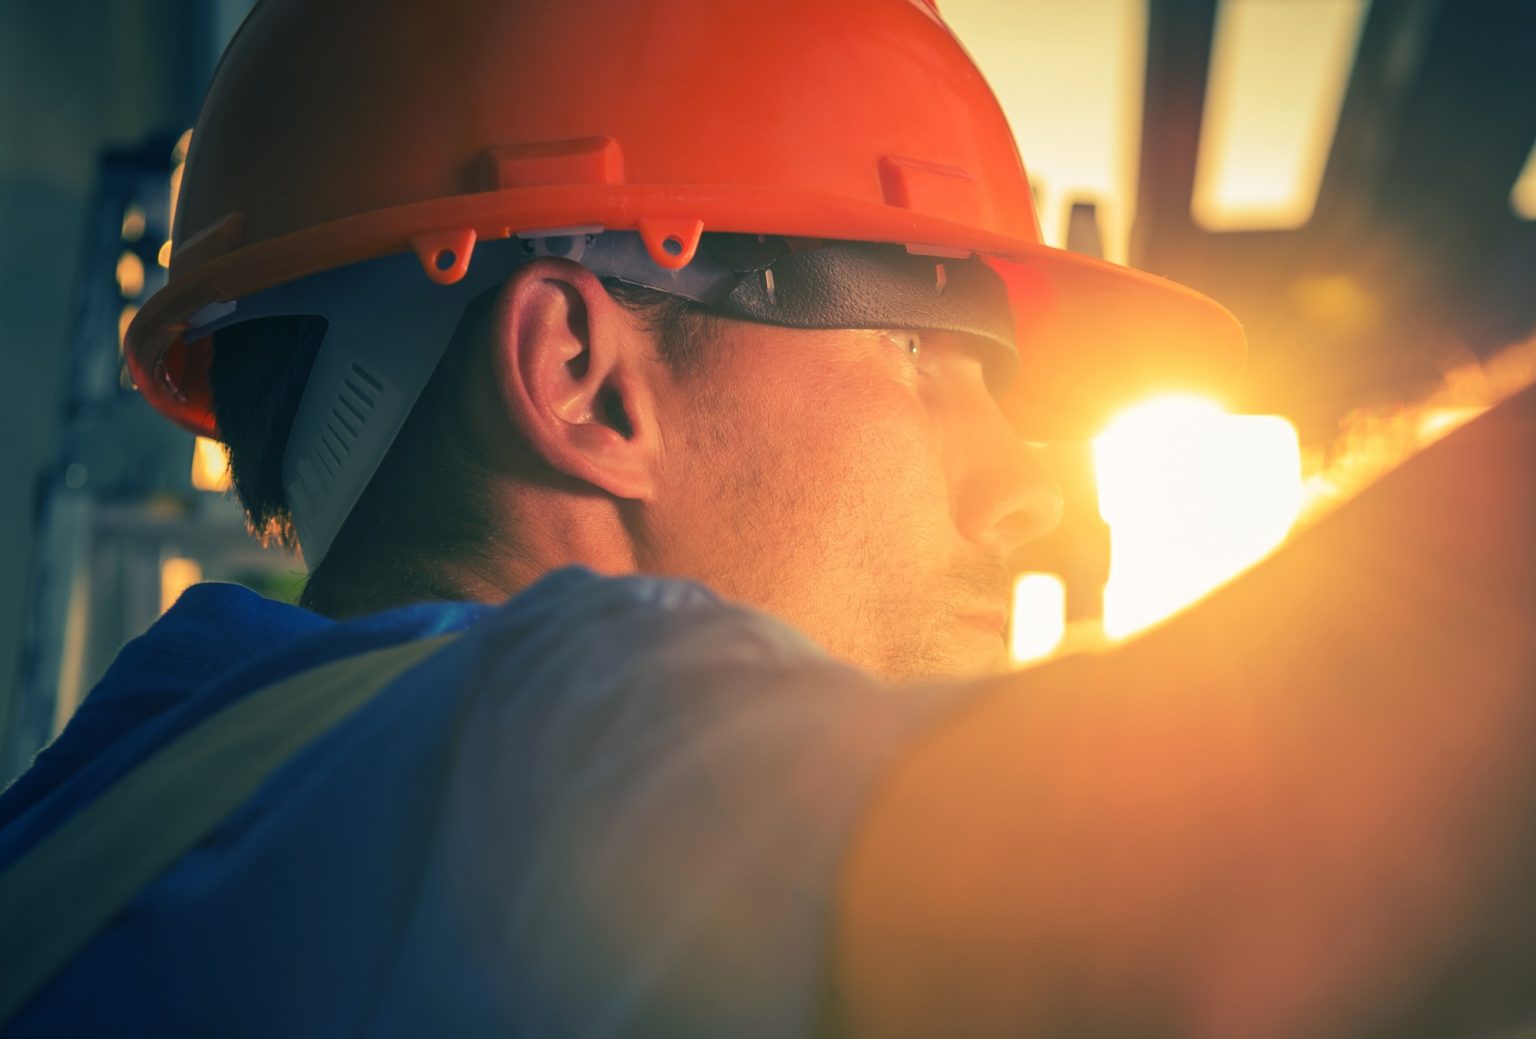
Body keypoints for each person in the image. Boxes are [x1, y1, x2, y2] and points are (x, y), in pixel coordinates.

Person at [2, 0, 1533, 1035]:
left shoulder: (104, 818)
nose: (1029, 495)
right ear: (587, 380)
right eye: (933, 357)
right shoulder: (558, 743)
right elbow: (1250, 916)